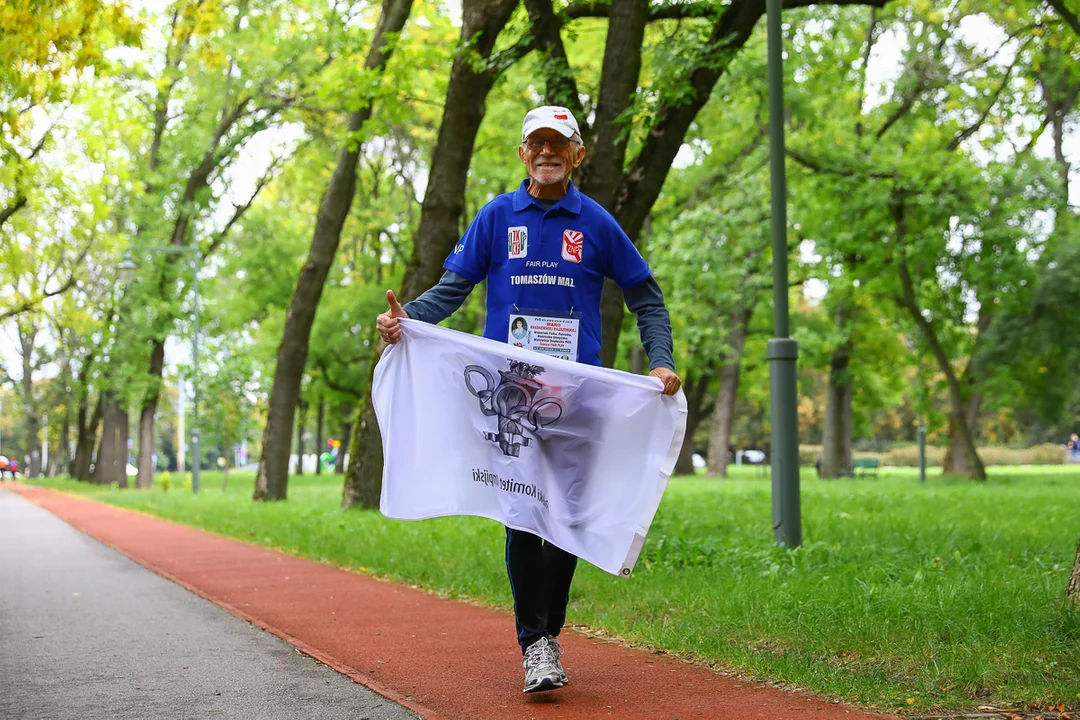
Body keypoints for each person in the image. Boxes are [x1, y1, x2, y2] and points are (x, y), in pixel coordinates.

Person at [376, 106, 681, 694]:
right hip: (510, 399)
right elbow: (453, 290)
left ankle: (550, 630)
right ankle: (536, 644)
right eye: (536, 143)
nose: (546, 152)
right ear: (522, 153)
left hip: (578, 399)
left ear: (576, 154)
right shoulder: (497, 216)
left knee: (565, 518)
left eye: (557, 144)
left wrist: (661, 360)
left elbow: (647, 296)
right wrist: (406, 319)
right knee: (522, 513)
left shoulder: (595, 224)